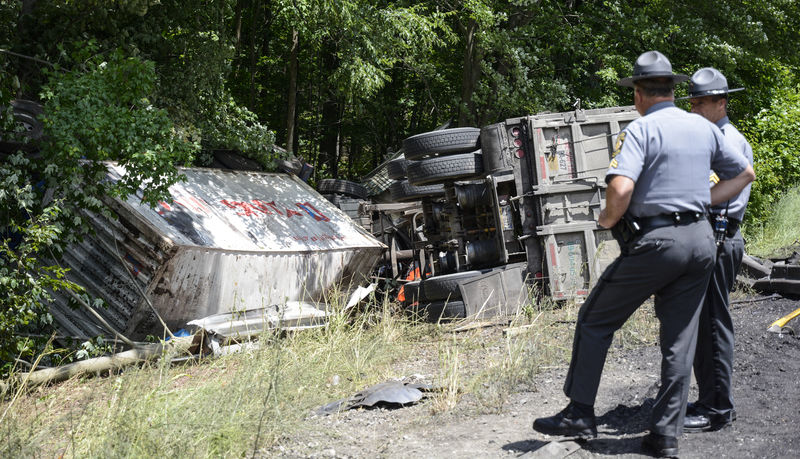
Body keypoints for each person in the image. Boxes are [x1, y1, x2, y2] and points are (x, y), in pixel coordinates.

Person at [531, 51, 755, 458]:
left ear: (638, 93)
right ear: (673, 90)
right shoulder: (704, 129)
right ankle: (665, 436)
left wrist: (605, 220)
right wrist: (703, 203)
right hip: (702, 241)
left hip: (657, 243)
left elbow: (619, 189)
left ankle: (580, 411)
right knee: (680, 340)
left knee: (596, 318)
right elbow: (744, 174)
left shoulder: (641, 130)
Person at [680, 67, 753, 433]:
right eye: (691, 101)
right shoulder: (708, 139)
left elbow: (726, 201)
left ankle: (718, 409)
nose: (692, 107)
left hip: (720, 238)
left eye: (700, 101)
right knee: (703, 325)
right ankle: (710, 397)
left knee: (712, 324)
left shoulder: (728, 141)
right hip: (707, 238)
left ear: (721, 103)